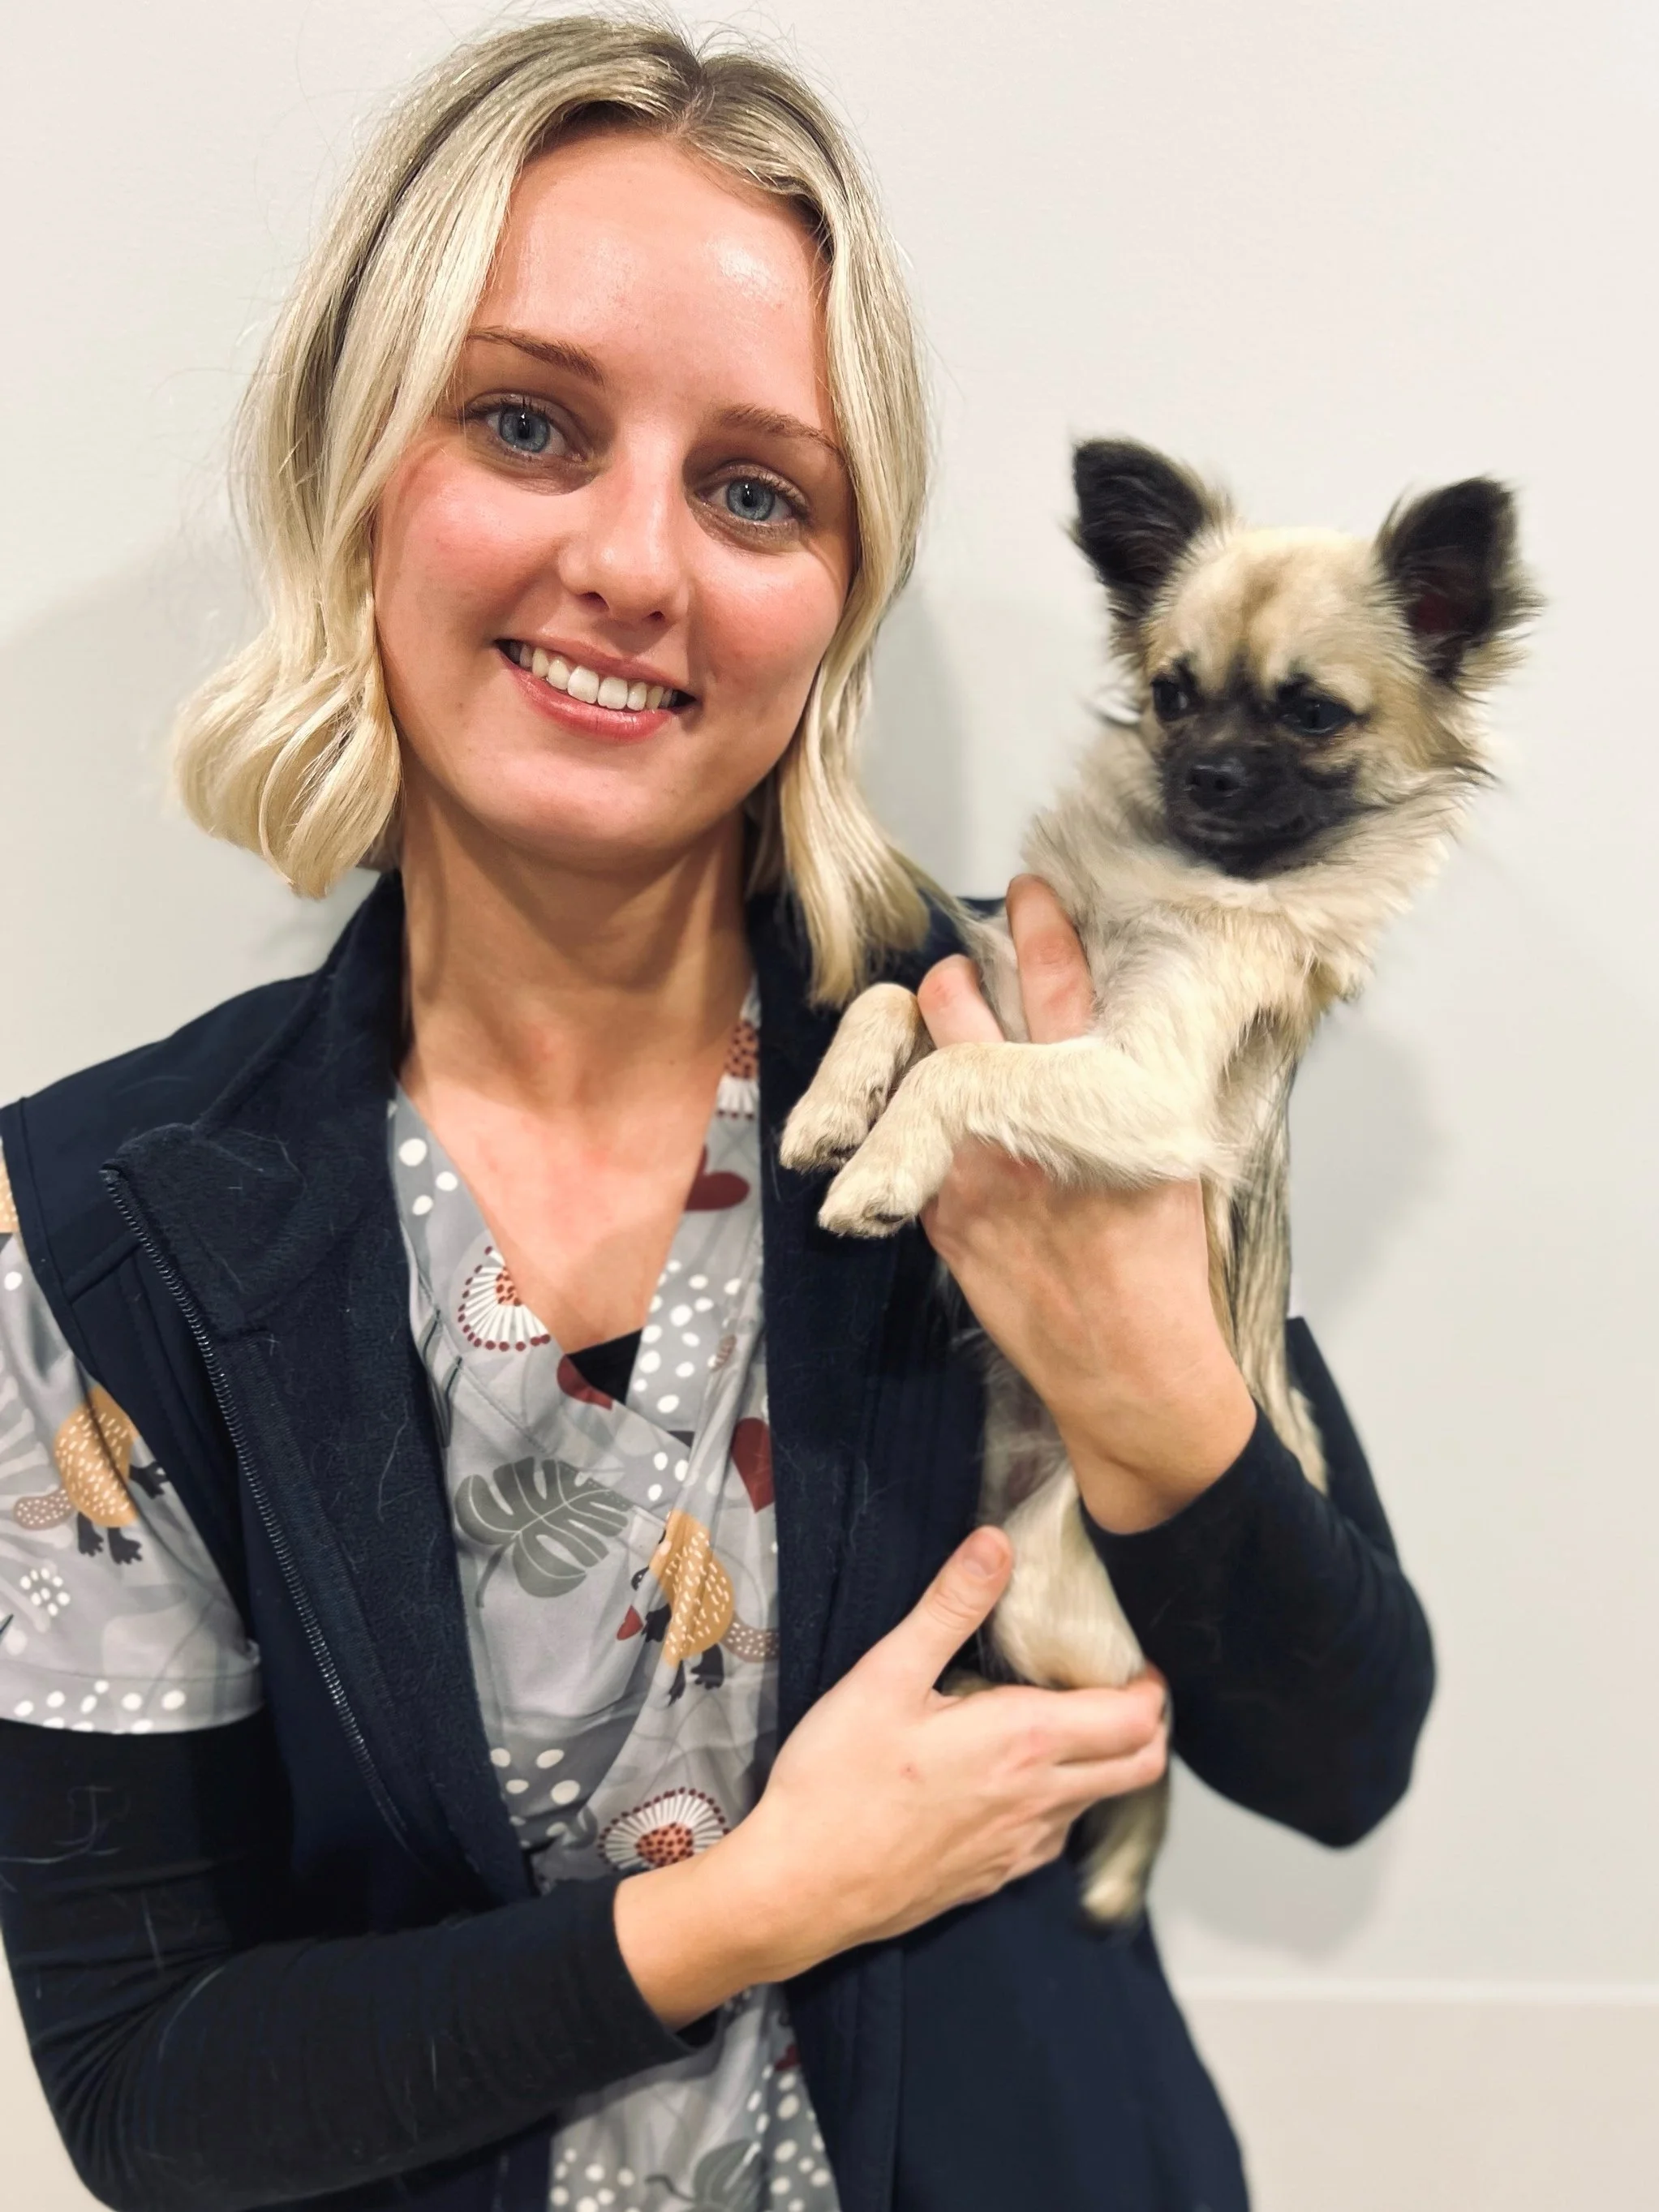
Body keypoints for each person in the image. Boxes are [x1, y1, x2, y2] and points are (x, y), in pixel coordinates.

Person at [0, 19, 1433, 2212]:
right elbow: (154, 2087)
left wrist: (1149, 1383)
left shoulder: (1009, 1037)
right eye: (525, 422)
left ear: (833, 598)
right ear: (355, 461)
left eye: (753, 486)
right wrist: (760, 1900)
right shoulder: (101, 1227)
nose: (635, 562)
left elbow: (1335, 1754)